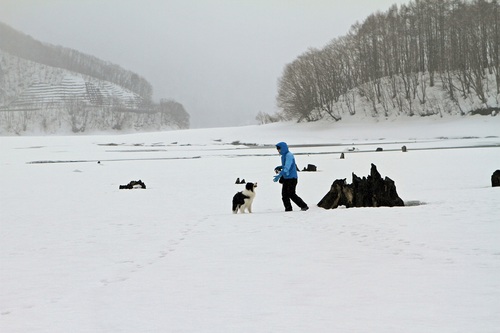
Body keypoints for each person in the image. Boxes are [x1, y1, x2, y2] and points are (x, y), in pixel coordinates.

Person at [273, 142, 309, 212]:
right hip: (286, 178)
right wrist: (280, 167)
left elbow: (287, 168)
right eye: (277, 149)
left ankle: (304, 206)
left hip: (292, 178)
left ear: (283, 148)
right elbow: (285, 166)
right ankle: (288, 209)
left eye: (279, 149)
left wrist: (279, 175)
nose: (278, 150)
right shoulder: (283, 156)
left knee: (291, 194)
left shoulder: (289, 155)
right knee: (284, 195)